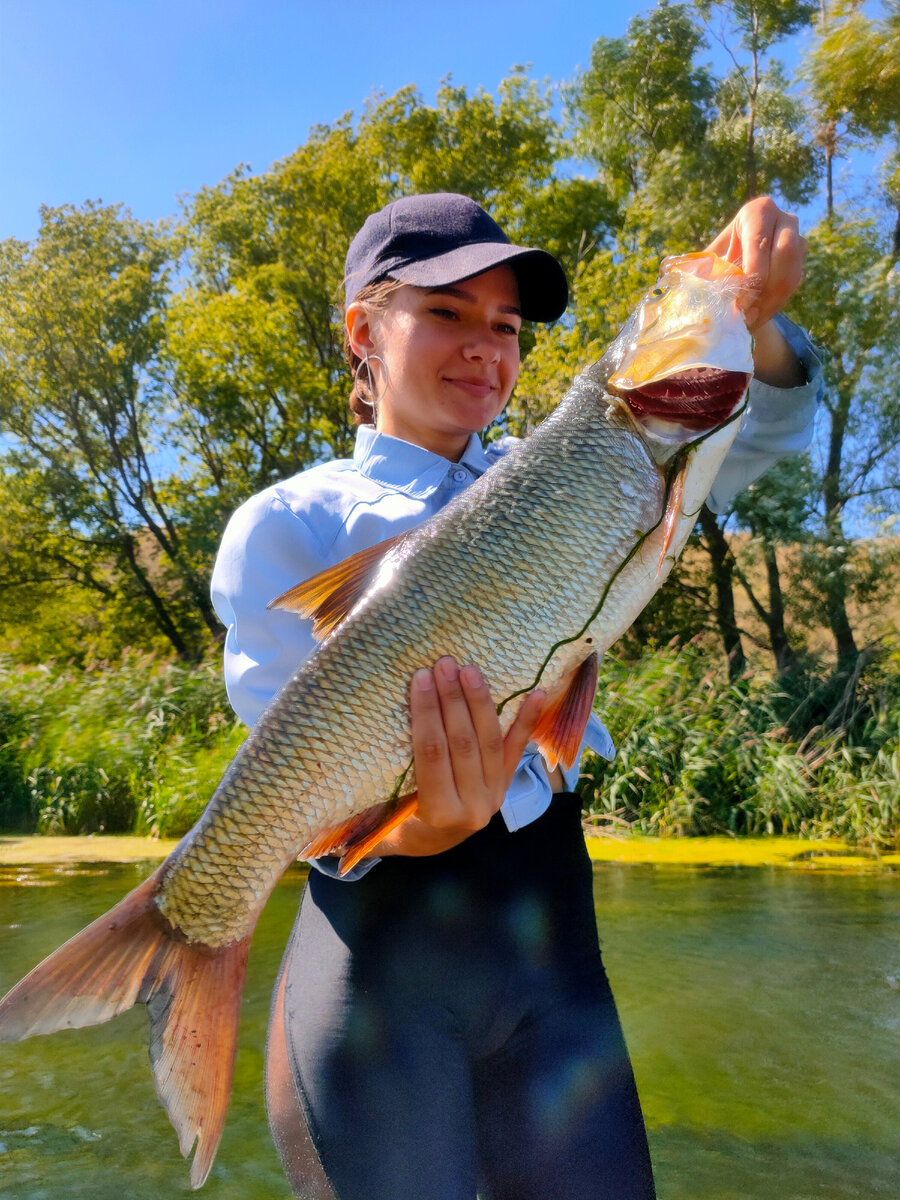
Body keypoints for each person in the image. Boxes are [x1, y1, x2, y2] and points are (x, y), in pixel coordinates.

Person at [211, 193, 823, 1200]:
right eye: (446, 313)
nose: (483, 348)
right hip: (377, 987)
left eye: (506, 327)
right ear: (364, 331)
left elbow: (766, 430)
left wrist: (753, 315)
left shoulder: (576, 463)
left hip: (556, 977)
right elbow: (300, 784)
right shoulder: (288, 522)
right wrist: (411, 830)